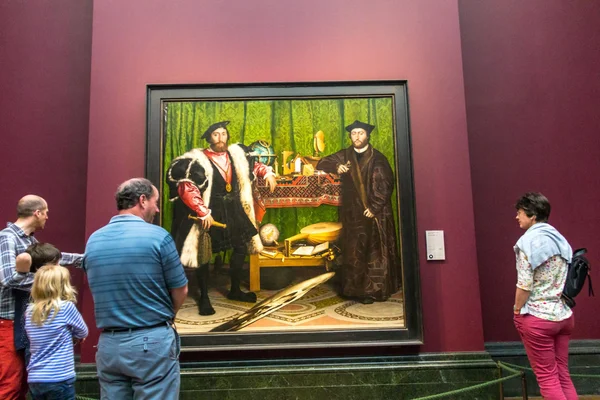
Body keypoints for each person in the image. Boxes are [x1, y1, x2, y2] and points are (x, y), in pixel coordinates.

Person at [84, 178, 188, 400]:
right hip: (150, 343)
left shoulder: (93, 240)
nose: (157, 209)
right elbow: (181, 290)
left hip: (109, 346)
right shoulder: (158, 237)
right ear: (142, 200)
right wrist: (169, 316)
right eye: (155, 202)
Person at [166, 121, 276, 315]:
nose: (220, 138)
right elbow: (186, 187)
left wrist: (267, 173)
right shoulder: (197, 160)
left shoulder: (236, 155)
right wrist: (202, 211)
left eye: (223, 134)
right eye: (215, 135)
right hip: (211, 208)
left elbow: (255, 165)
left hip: (233, 207)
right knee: (205, 253)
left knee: (241, 247)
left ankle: (235, 290)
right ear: (209, 138)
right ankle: (204, 298)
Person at [0, 195, 83, 400]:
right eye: (46, 212)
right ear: (37, 213)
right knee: (10, 381)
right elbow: (8, 278)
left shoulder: (29, 240)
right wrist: (48, 280)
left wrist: (85, 259)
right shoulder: (7, 238)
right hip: (8, 320)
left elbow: (53, 257)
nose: (47, 217)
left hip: (25, 318)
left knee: (22, 382)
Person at [317, 120, 400, 304]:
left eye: (360, 133)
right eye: (354, 133)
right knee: (353, 251)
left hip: (373, 213)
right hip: (352, 213)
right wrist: (336, 167)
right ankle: (353, 290)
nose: (357, 137)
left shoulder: (378, 159)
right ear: (350, 136)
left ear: (368, 136)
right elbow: (322, 162)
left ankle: (372, 291)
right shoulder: (345, 154)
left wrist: (374, 208)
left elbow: (386, 185)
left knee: (373, 251)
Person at [513, 192, 577, 400]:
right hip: (564, 316)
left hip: (538, 318)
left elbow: (524, 285)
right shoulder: (560, 239)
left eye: (520, 213)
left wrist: (516, 310)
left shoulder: (527, 242)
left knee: (547, 378)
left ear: (532, 216)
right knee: (562, 374)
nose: (517, 217)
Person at [25, 259, 88, 400]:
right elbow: (83, 331)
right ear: (63, 285)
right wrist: (72, 335)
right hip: (59, 377)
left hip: (35, 377)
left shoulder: (29, 310)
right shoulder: (65, 307)